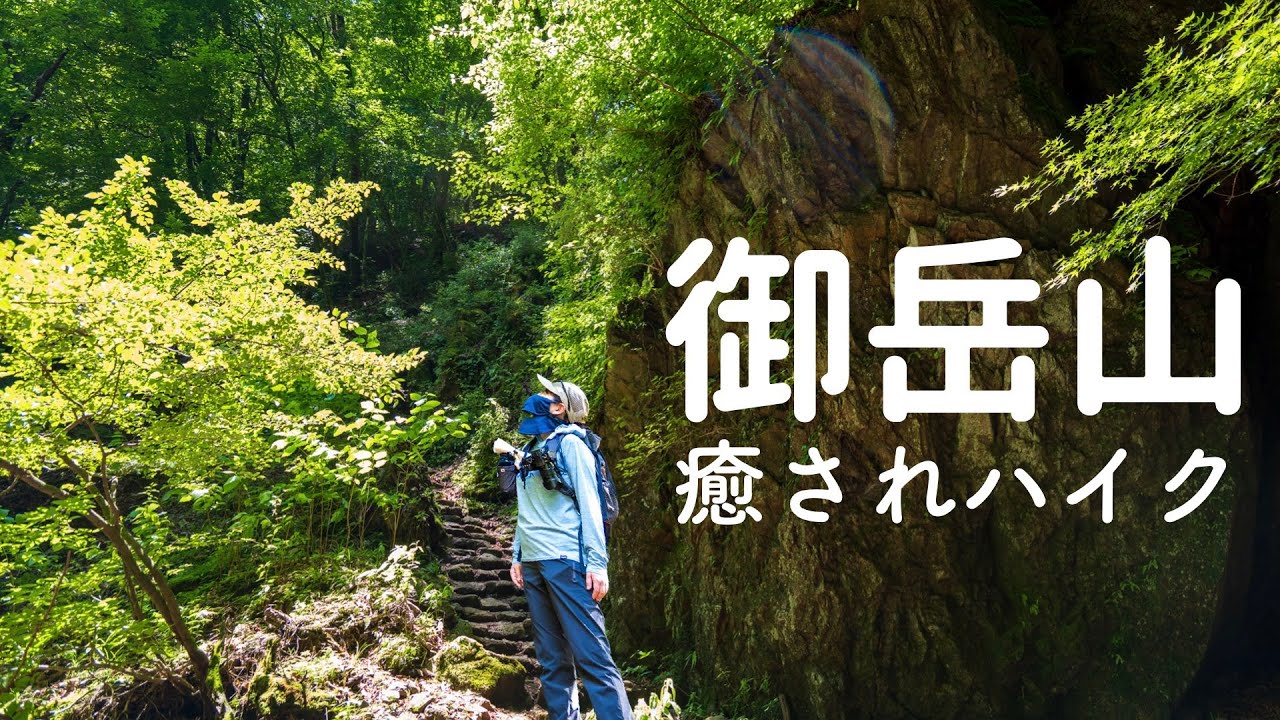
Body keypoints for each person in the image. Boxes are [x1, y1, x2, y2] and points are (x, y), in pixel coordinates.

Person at [509, 374, 633, 720]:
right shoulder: (533, 447)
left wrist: (597, 563)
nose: (538, 396)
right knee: (551, 660)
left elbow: (591, 504)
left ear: (560, 406)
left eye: (546, 393)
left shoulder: (572, 444)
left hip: (566, 560)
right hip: (534, 562)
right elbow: (527, 506)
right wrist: (517, 555)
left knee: (592, 655)